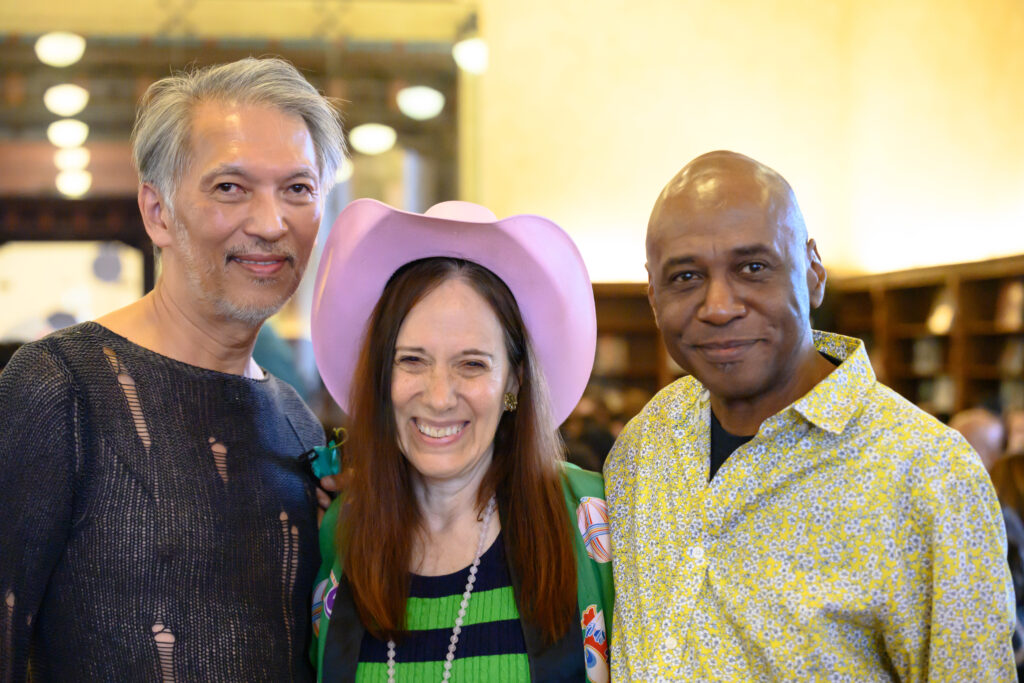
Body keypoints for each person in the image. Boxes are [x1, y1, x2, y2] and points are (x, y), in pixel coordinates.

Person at [604, 150, 1015, 680]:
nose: (720, 306)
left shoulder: (929, 476)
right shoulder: (646, 443)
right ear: (653, 297)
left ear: (813, 271)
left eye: (753, 268)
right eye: (685, 277)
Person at [0, 57, 345, 681]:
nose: (271, 224)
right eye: (230, 188)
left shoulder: (296, 422)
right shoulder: (60, 386)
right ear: (157, 212)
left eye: (298, 188)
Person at [307, 199, 613, 681]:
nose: (439, 396)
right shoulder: (344, 528)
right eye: (412, 360)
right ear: (382, 376)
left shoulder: (594, 517)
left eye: (472, 364)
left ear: (514, 382)